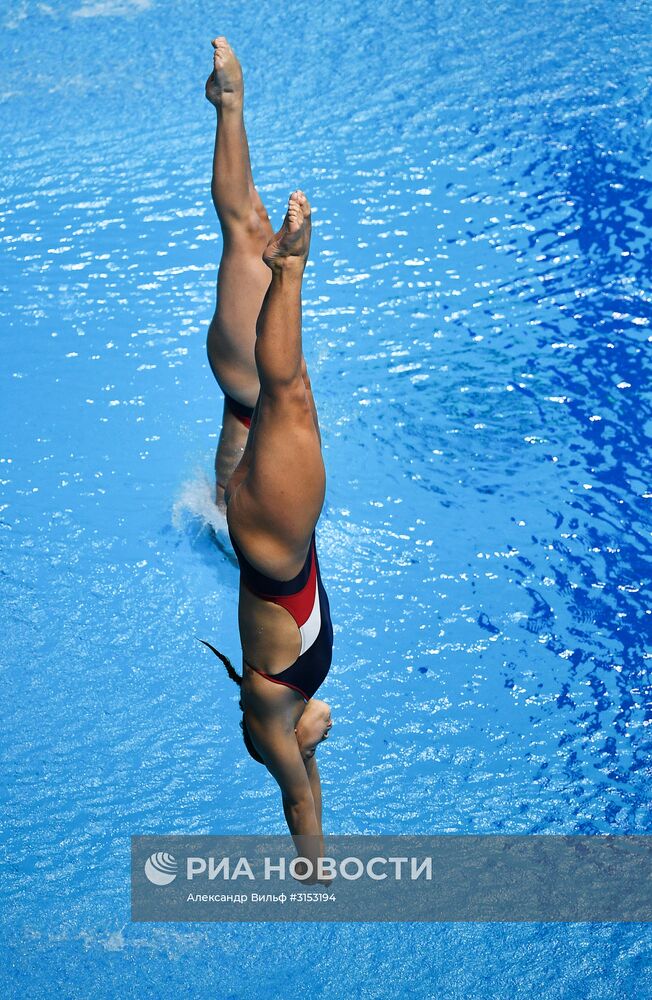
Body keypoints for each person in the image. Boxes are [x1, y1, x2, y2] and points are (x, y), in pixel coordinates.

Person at [201, 38, 334, 879]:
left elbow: (298, 801)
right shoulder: (291, 719)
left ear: (279, 743)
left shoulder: (268, 719)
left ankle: (292, 275)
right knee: (244, 226)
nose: (327, 730)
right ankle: (229, 104)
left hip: (273, 546)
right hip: (245, 499)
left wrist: (314, 869)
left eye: (307, 744)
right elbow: (315, 786)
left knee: (290, 396)